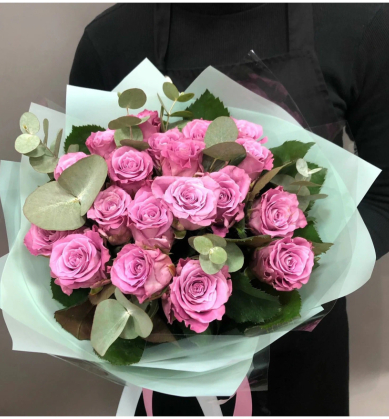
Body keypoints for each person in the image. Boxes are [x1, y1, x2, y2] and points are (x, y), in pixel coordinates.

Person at [69, 4, 389, 416]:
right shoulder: (110, 41)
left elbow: (386, 197)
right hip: (170, 353)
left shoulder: (355, 24)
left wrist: (294, 272)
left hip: (305, 345)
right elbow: (81, 200)